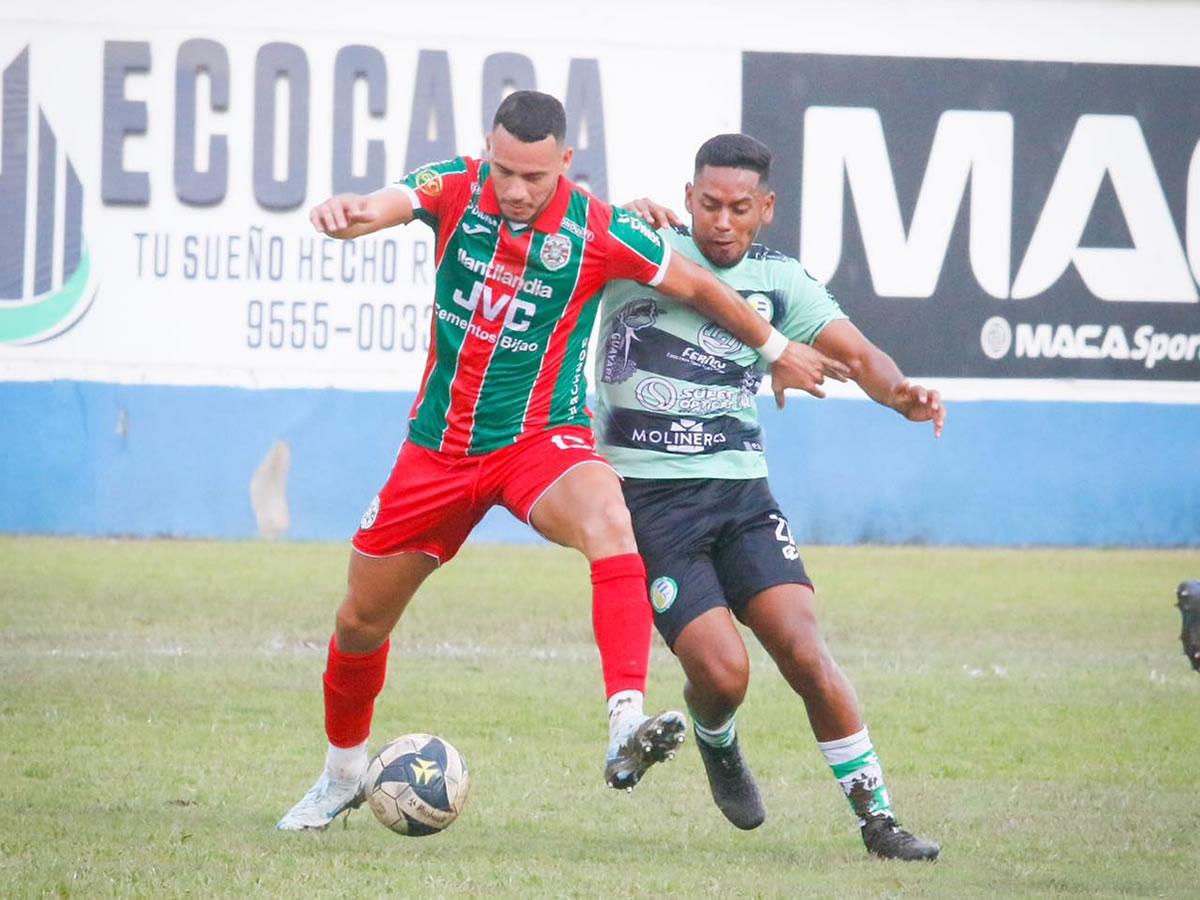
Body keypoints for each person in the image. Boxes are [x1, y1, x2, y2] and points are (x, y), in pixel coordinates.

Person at [277, 95, 851, 831]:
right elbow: (390, 200)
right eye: (505, 171)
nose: (515, 190)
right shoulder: (457, 186)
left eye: (533, 177)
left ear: (565, 165)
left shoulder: (597, 229)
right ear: (488, 154)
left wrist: (775, 349)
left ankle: (624, 719)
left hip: (538, 442)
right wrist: (353, 211)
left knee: (610, 518)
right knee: (358, 621)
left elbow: (701, 285)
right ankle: (342, 774)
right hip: (438, 450)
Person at [594, 133, 943, 860]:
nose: (722, 221)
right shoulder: (639, 248)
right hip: (653, 505)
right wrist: (618, 211)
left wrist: (898, 390)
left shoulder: (779, 279)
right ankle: (717, 737)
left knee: (806, 652)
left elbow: (857, 352)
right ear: (689, 198)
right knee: (724, 676)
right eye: (710, 204)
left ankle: (878, 820)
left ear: (766, 209)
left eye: (739, 208)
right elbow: (574, 235)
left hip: (743, 497)